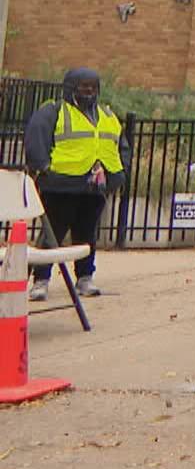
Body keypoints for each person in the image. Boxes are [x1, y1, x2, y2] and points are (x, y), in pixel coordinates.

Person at [23, 67, 128, 300]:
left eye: (92, 86)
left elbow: (120, 145)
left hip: (94, 186)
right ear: (71, 88)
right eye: (83, 86)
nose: (88, 91)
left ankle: (84, 278)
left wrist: (118, 174)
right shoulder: (54, 111)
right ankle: (41, 281)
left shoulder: (108, 115)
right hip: (61, 185)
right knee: (52, 235)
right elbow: (36, 138)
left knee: (87, 234)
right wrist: (43, 169)